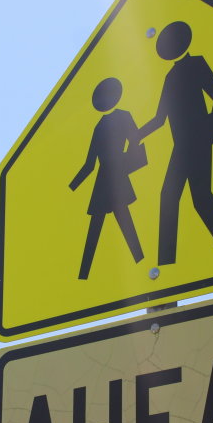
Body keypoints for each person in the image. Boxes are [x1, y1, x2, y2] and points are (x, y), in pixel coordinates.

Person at [141, 20, 213, 266]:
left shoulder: (197, 63)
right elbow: (160, 119)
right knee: (185, 197)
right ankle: (168, 262)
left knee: (192, 197)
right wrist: (137, 135)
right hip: (182, 144)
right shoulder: (170, 76)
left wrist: (208, 128)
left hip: (197, 140)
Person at [69, 76, 150, 280]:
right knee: (118, 221)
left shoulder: (102, 125)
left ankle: (84, 274)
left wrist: (73, 186)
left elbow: (90, 165)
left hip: (107, 178)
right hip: (111, 177)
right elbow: (134, 142)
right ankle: (139, 261)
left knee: (107, 224)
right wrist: (70, 188)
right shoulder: (118, 119)